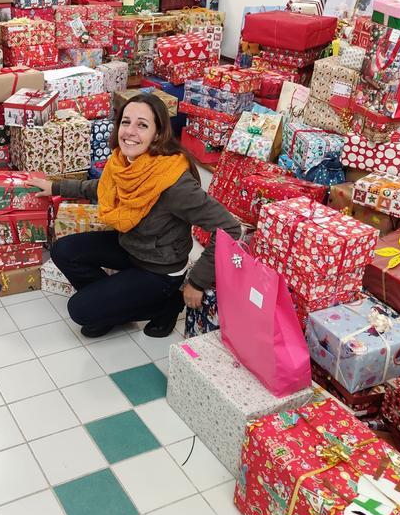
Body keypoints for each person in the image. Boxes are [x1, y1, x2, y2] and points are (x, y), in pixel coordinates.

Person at [26, 95, 243, 338]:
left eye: (142, 125)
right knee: (63, 250)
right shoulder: (123, 162)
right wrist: (55, 188)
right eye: (125, 122)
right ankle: (111, 307)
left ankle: (167, 303)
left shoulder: (174, 182)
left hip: (159, 268)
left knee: (79, 310)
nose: (129, 132)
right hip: (131, 246)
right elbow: (103, 187)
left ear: (158, 134)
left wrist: (197, 282)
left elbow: (230, 228)